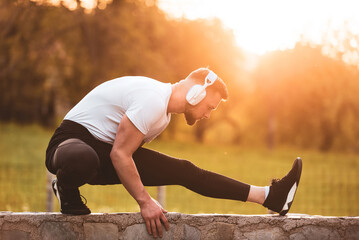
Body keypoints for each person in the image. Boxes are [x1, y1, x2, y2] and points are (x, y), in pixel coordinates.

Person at [45, 68, 302, 238]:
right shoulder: (153, 100)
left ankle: (270, 196)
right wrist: (145, 201)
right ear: (196, 92)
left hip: (105, 152)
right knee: (84, 158)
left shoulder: (163, 118)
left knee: (185, 170)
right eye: (209, 107)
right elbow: (120, 155)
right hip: (70, 143)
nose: (207, 115)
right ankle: (66, 187)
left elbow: (123, 156)